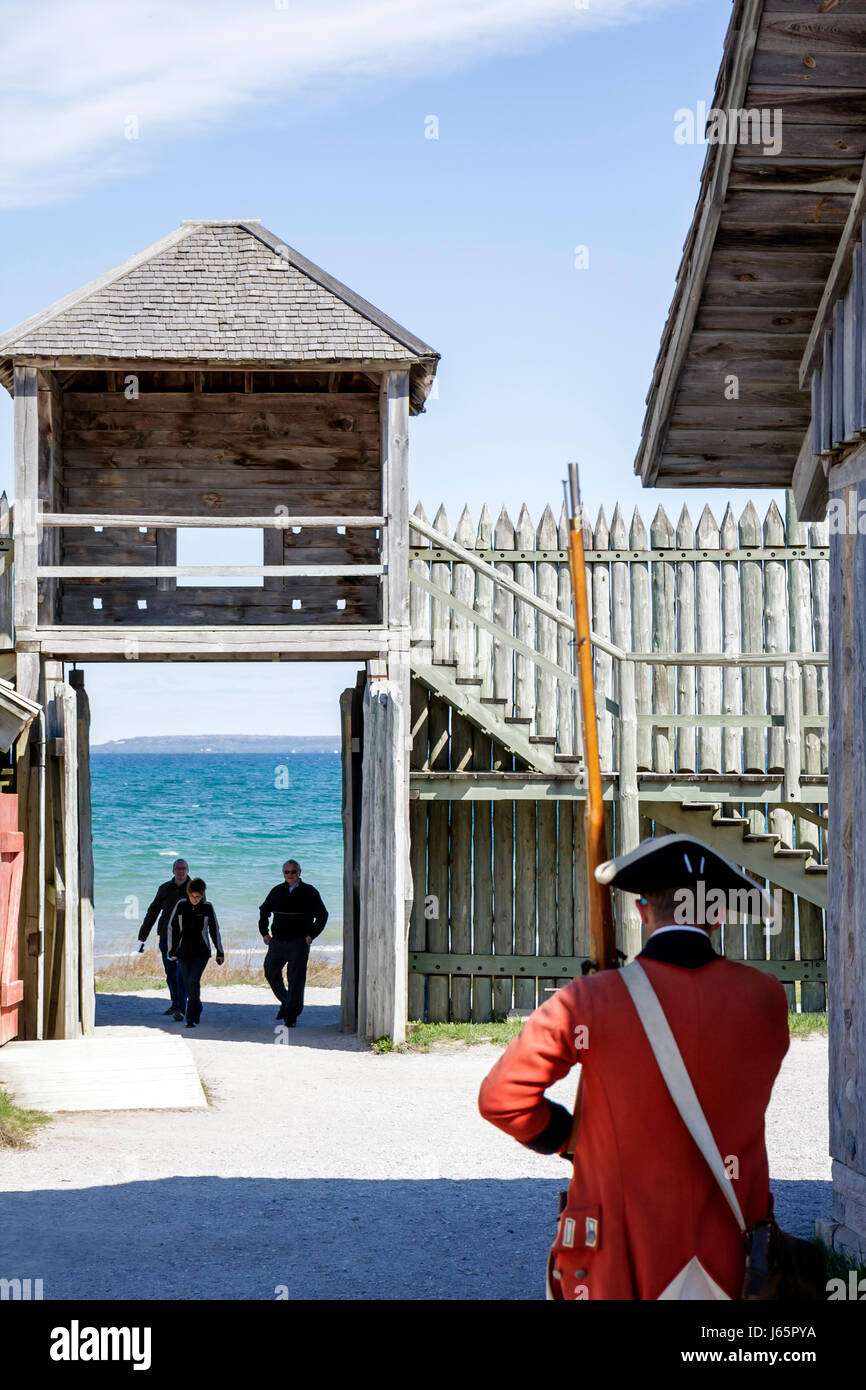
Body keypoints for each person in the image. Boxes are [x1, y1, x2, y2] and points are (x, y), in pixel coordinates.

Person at [477, 834, 790, 1301]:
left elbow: (501, 1099)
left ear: (643, 911)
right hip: (737, 1263)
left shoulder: (589, 1000)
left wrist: (569, 1136)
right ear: (720, 914)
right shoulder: (767, 999)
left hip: (617, 1265)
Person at [258, 860, 328, 1026]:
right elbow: (263, 911)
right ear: (283, 873)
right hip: (277, 943)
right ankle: (287, 1002)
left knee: (296, 979)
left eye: (293, 872)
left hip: (299, 943)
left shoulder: (309, 892)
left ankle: (291, 1017)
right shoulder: (276, 891)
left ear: (299, 872)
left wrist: (310, 937)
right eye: (287, 872)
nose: (290, 875)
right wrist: (264, 933)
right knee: (270, 972)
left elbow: (323, 915)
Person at [166, 877, 224, 1028]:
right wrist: (171, 949)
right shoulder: (181, 905)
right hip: (183, 952)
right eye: (192, 896)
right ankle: (197, 1006)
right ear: (188, 893)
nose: (195, 899)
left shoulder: (207, 907)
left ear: (203, 895)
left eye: (198, 896)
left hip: (201, 952)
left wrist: (220, 951)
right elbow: (173, 928)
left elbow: (214, 930)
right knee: (187, 983)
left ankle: (190, 1018)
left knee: (193, 981)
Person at [137, 858, 192, 1018]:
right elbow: (153, 911)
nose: (181, 871)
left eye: (183, 869)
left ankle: (181, 1008)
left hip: (186, 939)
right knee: (171, 973)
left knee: (182, 973)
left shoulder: (193, 888)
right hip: (166, 937)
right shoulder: (165, 888)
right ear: (173, 871)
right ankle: (176, 1004)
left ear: (187, 870)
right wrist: (143, 934)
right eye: (178, 869)